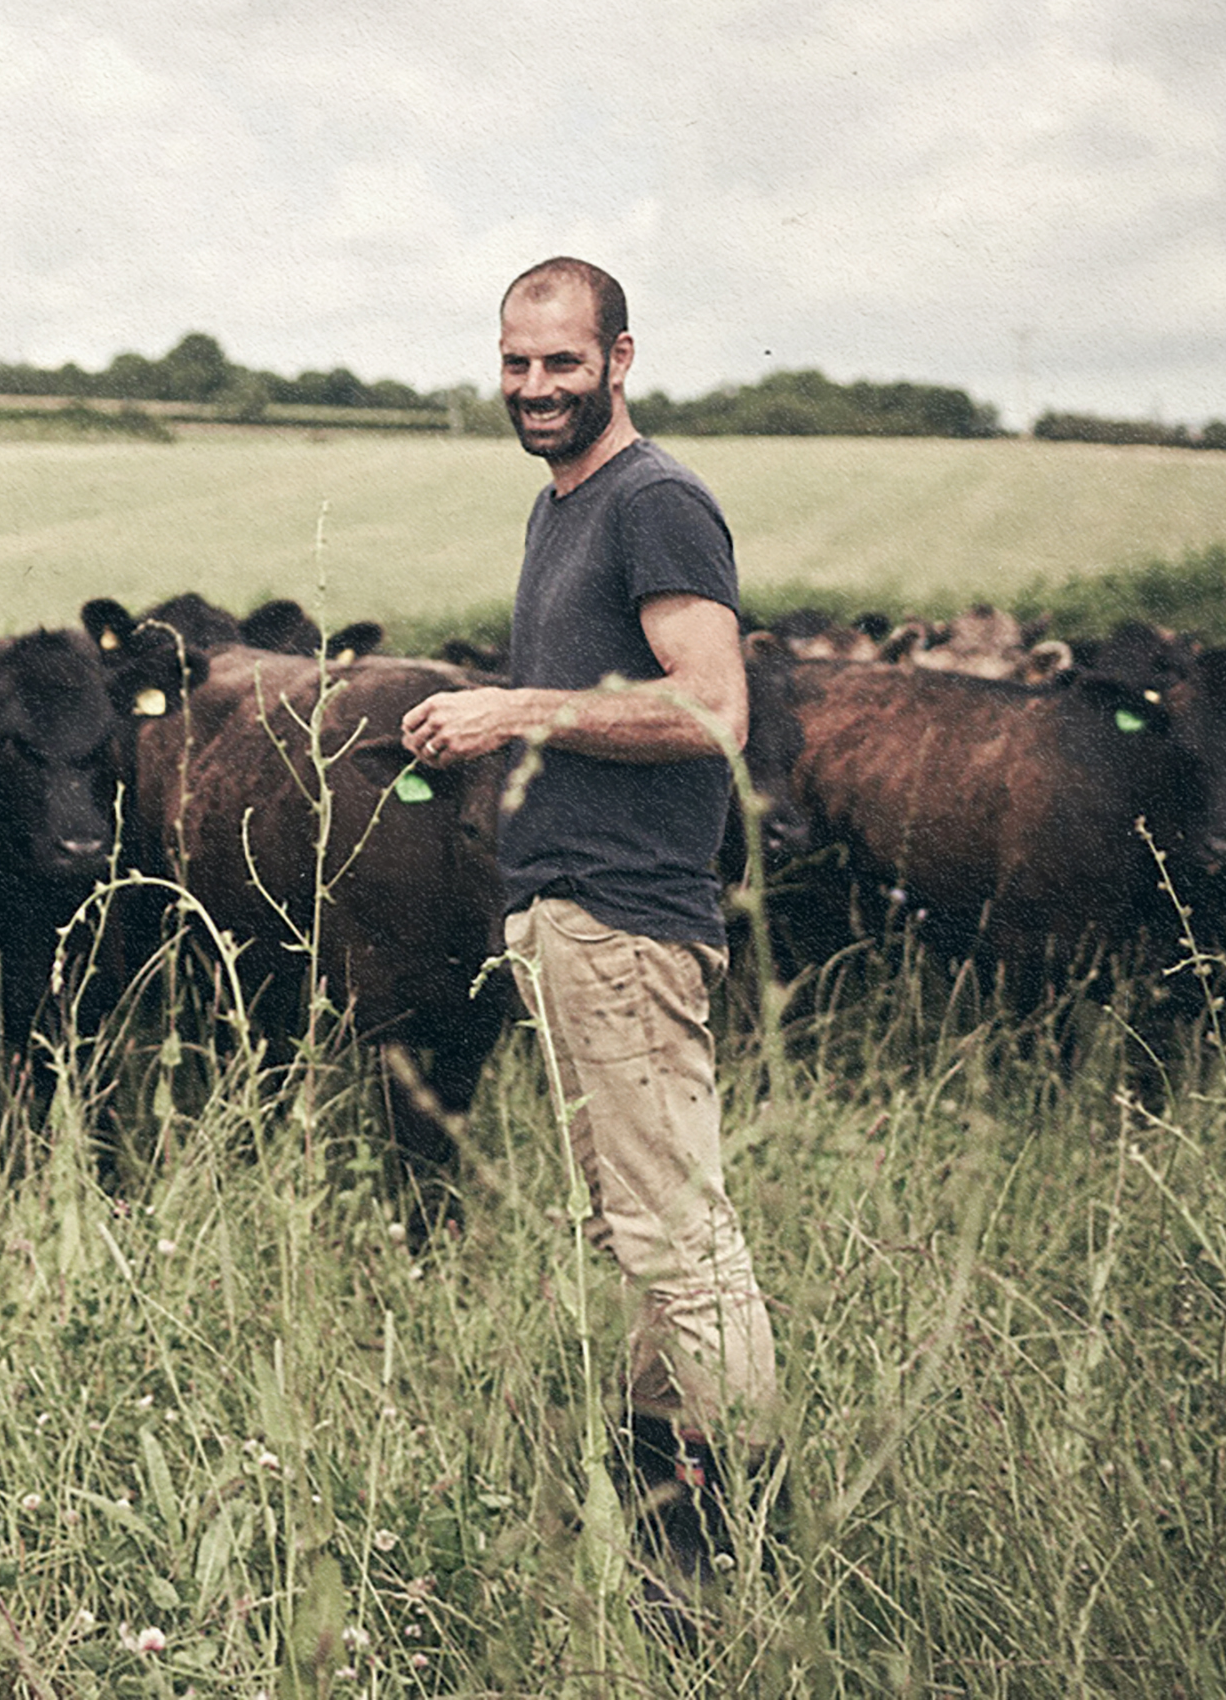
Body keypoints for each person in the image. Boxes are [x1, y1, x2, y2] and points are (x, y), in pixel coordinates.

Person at [399, 256, 780, 1616]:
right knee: (638, 1235)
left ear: (620, 358)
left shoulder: (655, 501)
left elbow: (712, 709)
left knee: (676, 1240)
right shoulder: (563, 505)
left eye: (563, 363)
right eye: (516, 362)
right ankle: (667, 1528)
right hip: (572, 917)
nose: (535, 388)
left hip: (626, 919)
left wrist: (517, 711)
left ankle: (728, 1551)